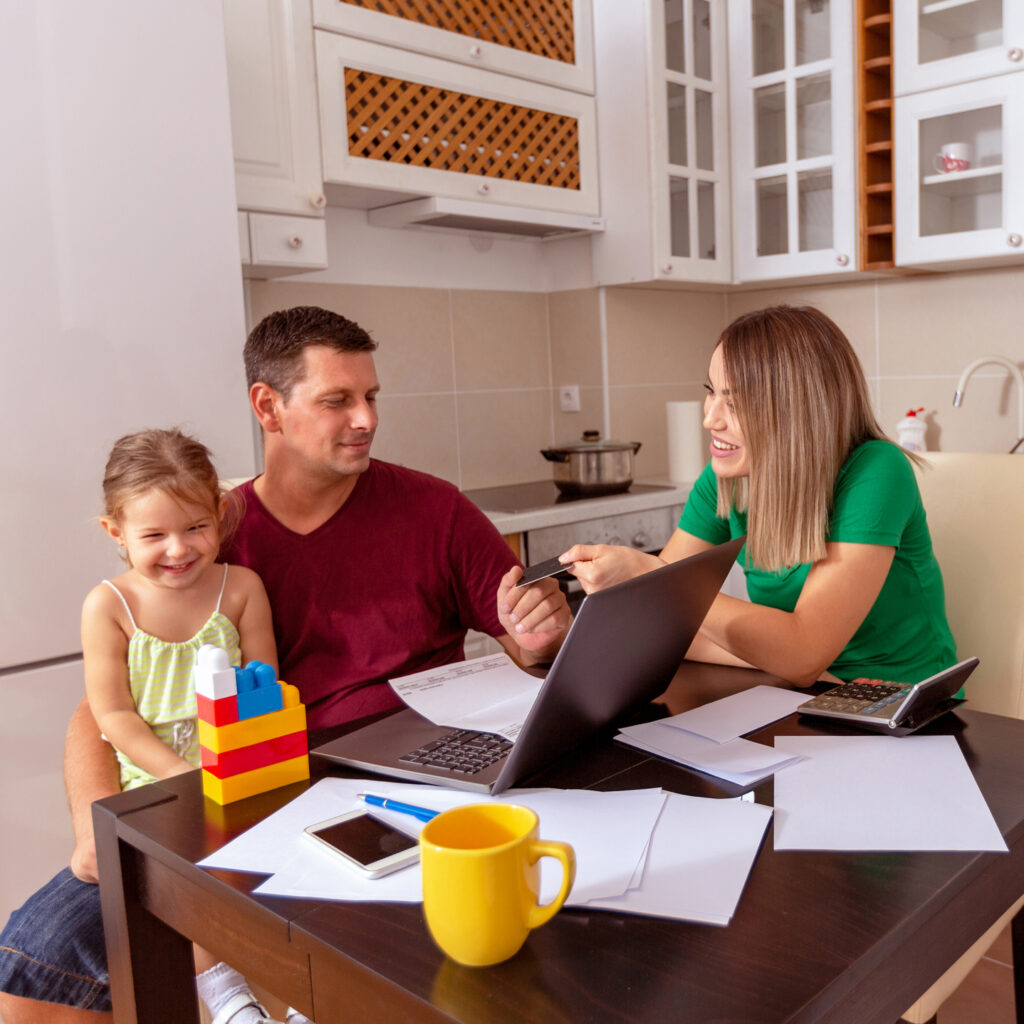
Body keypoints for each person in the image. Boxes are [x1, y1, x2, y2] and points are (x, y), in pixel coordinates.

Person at [0, 308, 571, 1024]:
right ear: (267, 406)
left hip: (408, 786)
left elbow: (531, 644)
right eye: (337, 400)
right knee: (32, 972)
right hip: (241, 792)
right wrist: (95, 823)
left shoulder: (436, 511)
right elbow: (108, 706)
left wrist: (542, 629)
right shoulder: (205, 538)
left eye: (371, 397)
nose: (365, 418)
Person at [0, 428, 297, 1024]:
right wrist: (185, 775)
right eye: (153, 535)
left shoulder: (240, 589)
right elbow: (112, 715)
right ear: (115, 533)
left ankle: (298, 999)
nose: (178, 550)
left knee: (269, 866)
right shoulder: (109, 605)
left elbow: (264, 684)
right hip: (153, 787)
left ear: (220, 515)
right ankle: (223, 991)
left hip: (237, 770)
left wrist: (239, 765)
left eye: (195, 527)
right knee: (190, 876)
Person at [561, 305, 956, 685]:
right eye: (711, 392)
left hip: (903, 710)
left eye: (733, 402)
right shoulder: (729, 477)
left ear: (797, 411)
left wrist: (649, 576)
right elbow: (660, 629)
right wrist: (787, 662)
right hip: (804, 692)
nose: (710, 419)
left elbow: (801, 651)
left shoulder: (876, 472)